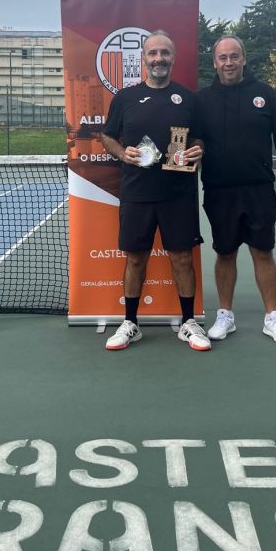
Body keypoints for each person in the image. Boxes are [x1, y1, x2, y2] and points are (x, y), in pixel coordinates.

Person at [100, 30, 209, 351]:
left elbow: (200, 138)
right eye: (153, 53)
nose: (158, 58)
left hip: (179, 194)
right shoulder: (125, 98)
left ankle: (189, 322)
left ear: (173, 58)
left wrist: (197, 150)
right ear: (144, 59)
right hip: (136, 193)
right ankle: (130, 323)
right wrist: (122, 153)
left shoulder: (189, 98)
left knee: (182, 259)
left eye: (164, 53)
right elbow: (107, 136)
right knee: (135, 259)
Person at [196, 35, 276, 344]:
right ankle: (225, 316)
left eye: (234, 56)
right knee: (225, 252)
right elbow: (193, 140)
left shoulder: (266, 95)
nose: (228, 62)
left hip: (258, 189)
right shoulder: (202, 100)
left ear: (243, 60)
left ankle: (272, 317)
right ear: (215, 62)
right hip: (219, 190)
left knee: (263, 252)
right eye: (223, 58)